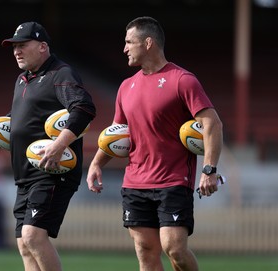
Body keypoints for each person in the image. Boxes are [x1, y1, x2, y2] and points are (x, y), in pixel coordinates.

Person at [86, 16, 223, 271]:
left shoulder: (183, 80)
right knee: (146, 252)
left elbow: (212, 124)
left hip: (173, 180)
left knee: (175, 249)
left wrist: (209, 169)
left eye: (129, 42)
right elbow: (117, 134)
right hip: (135, 182)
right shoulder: (126, 87)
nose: (124, 48)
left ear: (148, 43)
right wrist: (96, 164)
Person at [0, 21, 96, 271]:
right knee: (24, 246)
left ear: (42, 46)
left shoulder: (61, 74)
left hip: (52, 172)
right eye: (14, 46)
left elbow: (84, 108)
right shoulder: (22, 79)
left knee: (32, 236)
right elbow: (15, 120)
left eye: (22, 45)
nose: (16, 51)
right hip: (25, 175)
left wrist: (60, 144)